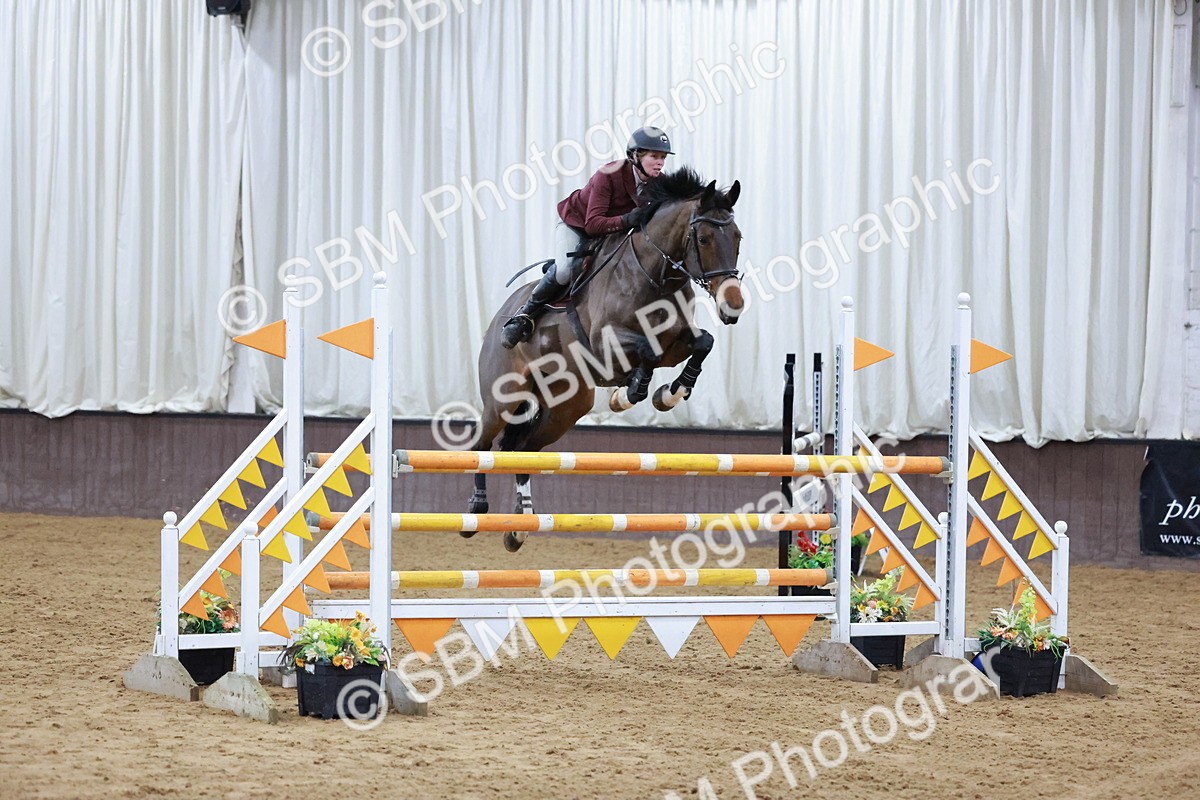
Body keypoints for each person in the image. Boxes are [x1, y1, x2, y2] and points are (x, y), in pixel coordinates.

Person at [500, 126, 673, 348]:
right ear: (635, 156)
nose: (660, 162)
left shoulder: (660, 183)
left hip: (614, 231)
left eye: (663, 157)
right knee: (564, 270)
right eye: (654, 156)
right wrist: (627, 219)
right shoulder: (608, 174)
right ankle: (525, 315)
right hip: (578, 224)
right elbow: (593, 224)